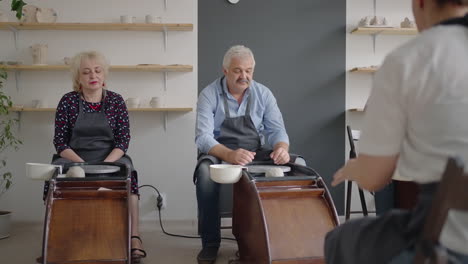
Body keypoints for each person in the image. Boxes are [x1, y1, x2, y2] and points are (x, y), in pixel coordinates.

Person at [325, 0, 468, 263]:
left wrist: (356, 168)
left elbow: (373, 178)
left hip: (446, 245)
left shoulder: (408, 59)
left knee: (339, 240)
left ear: (420, 3)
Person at [194, 45, 294, 264]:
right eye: (238, 70)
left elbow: (277, 130)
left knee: (298, 165)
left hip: (255, 151)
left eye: (248, 70)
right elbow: (203, 138)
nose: (244, 76)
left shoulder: (263, 94)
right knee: (203, 173)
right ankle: (210, 244)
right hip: (220, 152)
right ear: (225, 71)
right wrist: (230, 155)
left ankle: (274, 238)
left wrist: (281, 148)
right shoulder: (209, 94)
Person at [48, 51, 146, 263]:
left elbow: (123, 142)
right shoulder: (68, 101)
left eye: (97, 70)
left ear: (104, 74)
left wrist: (105, 166)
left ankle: (134, 237)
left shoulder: (116, 101)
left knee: (130, 173)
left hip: (110, 157)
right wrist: (80, 164)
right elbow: (60, 143)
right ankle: (54, 241)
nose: (93, 75)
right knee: (54, 174)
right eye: (86, 72)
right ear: (78, 78)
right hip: (73, 156)